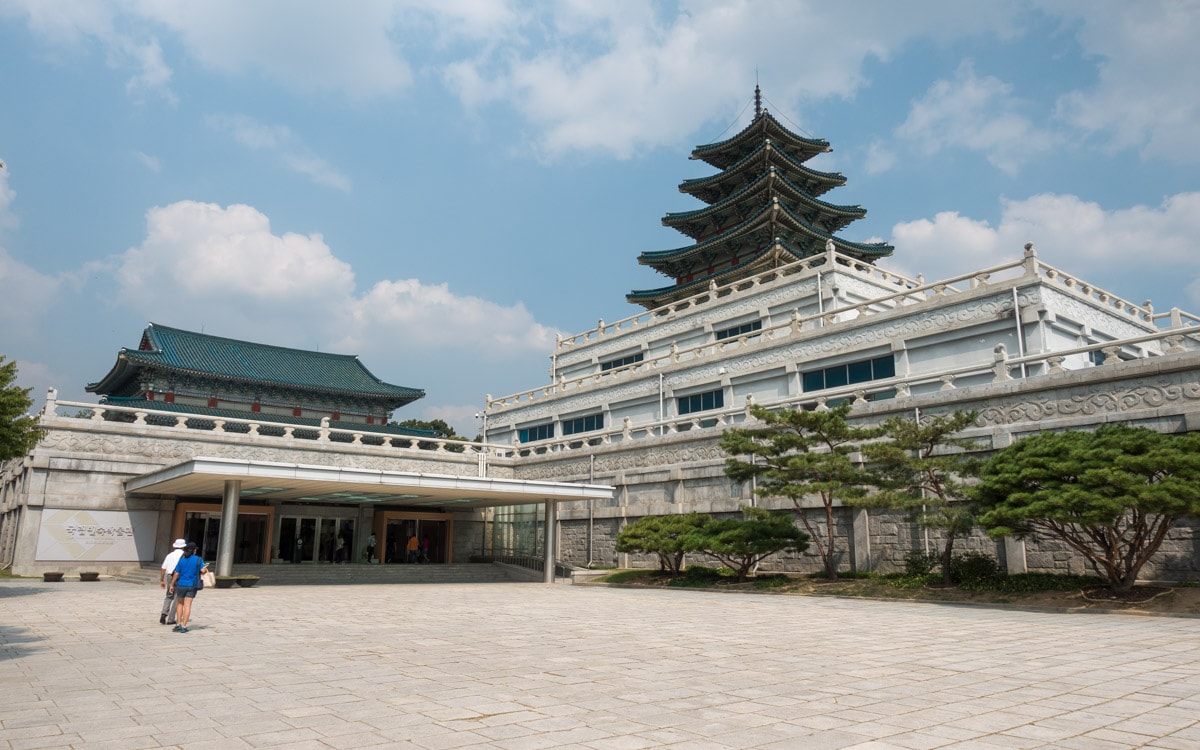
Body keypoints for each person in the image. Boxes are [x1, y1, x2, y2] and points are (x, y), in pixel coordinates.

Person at [168, 542, 208, 633]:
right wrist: (205, 568)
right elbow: (203, 570)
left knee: (180, 604)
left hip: (181, 584)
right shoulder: (198, 559)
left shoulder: (181, 560)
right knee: (188, 605)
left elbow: (176, 573)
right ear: (194, 550)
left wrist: (171, 584)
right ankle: (184, 626)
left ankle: (178, 624)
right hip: (192, 585)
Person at [158, 538, 187, 625]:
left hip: (170, 576)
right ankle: (171, 618)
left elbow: (163, 568)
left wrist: (162, 580)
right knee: (177, 598)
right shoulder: (185, 555)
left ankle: (164, 613)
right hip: (180, 577)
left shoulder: (169, 555)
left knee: (169, 595)